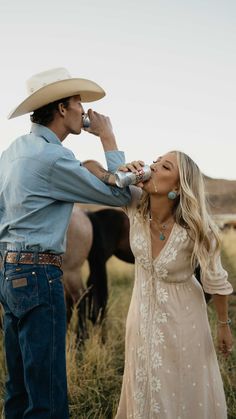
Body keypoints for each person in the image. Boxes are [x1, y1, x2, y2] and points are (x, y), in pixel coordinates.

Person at [0, 67, 131, 419]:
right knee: (49, 393)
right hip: (41, 277)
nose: (83, 111)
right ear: (61, 109)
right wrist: (107, 136)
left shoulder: (13, 151)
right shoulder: (53, 158)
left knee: (19, 389)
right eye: (78, 102)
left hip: (10, 274)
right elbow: (121, 196)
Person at [113, 152, 233, 419]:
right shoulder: (134, 206)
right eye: (155, 160)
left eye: (165, 166)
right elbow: (97, 173)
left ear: (178, 187)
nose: (153, 166)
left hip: (184, 322)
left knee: (179, 387)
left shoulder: (198, 229)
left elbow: (216, 281)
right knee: (144, 382)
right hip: (141, 317)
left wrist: (223, 325)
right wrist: (119, 167)